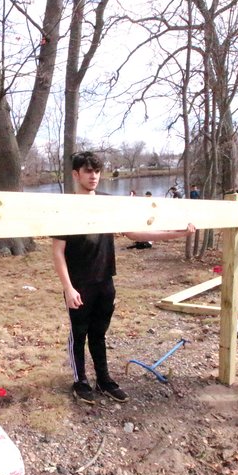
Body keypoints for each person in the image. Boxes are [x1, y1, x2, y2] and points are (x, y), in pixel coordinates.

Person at [52, 151, 194, 405]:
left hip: (105, 281)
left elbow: (134, 234)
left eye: (96, 171)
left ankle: (104, 380)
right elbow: (57, 251)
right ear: (76, 174)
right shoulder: (66, 207)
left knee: (99, 333)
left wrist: (177, 233)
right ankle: (80, 381)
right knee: (79, 333)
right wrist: (68, 288)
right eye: (87, 171)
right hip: (79, 283)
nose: (93, 176)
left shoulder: (109, 203)